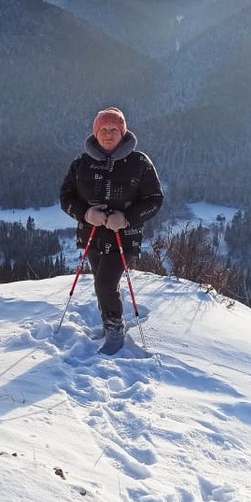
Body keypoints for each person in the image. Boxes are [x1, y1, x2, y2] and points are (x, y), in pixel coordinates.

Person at [60, 107, 164, 355]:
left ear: (123, 132)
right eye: (103, 130)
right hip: (92, 236)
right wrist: (86, 215)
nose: (108, 134)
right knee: (101, 282)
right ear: (95, 133)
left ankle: (115, 329)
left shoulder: (139, 162)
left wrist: (127, 218)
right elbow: (66, 198)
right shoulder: (81, 163)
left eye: (114, 130)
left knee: (106, 283)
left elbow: (154, 199)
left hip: (123, 238)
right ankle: (109, 323)